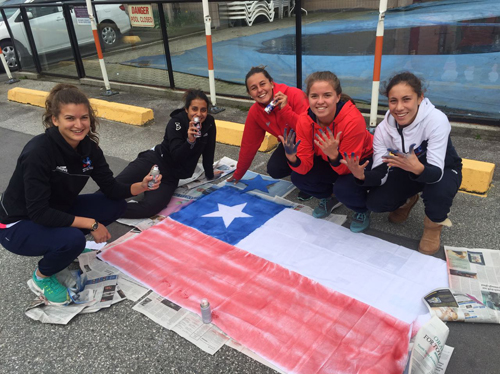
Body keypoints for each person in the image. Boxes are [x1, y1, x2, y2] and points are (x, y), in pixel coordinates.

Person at [0, 84, 160, 304]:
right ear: (55, 120)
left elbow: (112, 189)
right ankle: (41, 278)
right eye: (70, 118)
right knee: (73, 238)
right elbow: (38, 213)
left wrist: (142, 186)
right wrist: (92, 224)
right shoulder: (38, 151)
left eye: (84, 118)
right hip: (16, 223)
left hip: (55, 210)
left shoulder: (89, 149)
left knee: (115, 205)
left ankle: (63, 247)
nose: (78, 125)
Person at [341, 71, 462, 254]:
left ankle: (432, 228)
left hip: (442, 169)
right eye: (393, 101)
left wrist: (418, 168)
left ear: (420, 98)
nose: (399, 107)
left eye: (406, 99)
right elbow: (381, 173)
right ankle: (408, 200)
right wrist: (362, 176)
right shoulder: (383, 129)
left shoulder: (437, 120)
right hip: (407, 168)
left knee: (439, 191)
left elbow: (435, 171)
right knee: (375, 203)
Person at [280, 71, 373, 229]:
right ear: (308, 98)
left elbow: (347, 168)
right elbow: (305, 165)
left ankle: (362, 209)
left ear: (337, 97)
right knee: (298, 177)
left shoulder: (353, 120)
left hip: (362, 161)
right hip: (331, 158)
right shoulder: (304, 120)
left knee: (344, 188)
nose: (320, 101)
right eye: (314, 96)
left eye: (327, 95)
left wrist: (334, 156)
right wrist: (293, 159)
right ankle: (330, 197)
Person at [115, 89, 218, 218]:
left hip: (170, 176)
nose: (199, 114)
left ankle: (110, 210)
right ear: (187, 109)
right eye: (194, 109)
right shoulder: (176, 122)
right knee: (114, 188)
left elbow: (209, 150)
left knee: (150, 208)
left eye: (203, 110)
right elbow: (176, 156)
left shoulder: (209, 123)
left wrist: (210, 176)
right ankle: (92, 208)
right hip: (154, 161)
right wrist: (189, 141)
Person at [228, 66, 311, 200]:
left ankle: (312, 181)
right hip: (288, 143)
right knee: (274, 169)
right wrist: (239, 173)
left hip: (309, 140)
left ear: (271, 83)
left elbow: (308, 130)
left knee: (301, 176)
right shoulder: (255, 112)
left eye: (262, 84)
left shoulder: (294, 94)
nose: (260, 90)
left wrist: (285, 109)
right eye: (254, 88)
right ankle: (301, 172)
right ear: (250, 93)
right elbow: (248, 145)